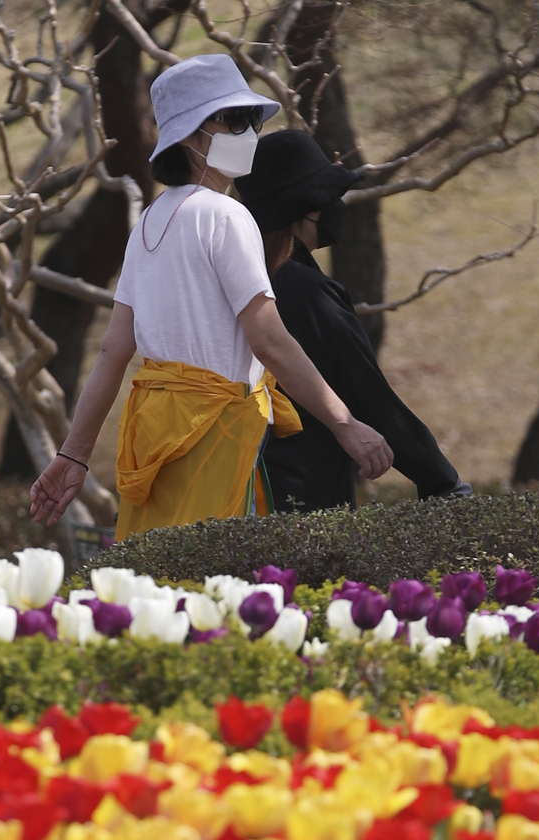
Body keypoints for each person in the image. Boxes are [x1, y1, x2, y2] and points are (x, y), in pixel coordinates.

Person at [29, 54, 392, 534]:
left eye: (252, 120)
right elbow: (268, 339)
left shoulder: (149, 221)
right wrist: (345, 423)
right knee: (208, 591)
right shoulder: (226, 216)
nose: (250, 133)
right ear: (190, 136)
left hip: (154, 433)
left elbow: (113, 350)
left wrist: (73, 454)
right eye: (235, 120)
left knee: (154, 583)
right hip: (213, 433)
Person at [235, 130, 470, 511]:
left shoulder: (240, 280)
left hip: (235, 483)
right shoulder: (304, 291)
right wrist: (443, 483)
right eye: (328, 196)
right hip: (299, 496)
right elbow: (368, 394)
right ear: (302, 207)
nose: (336, 206)